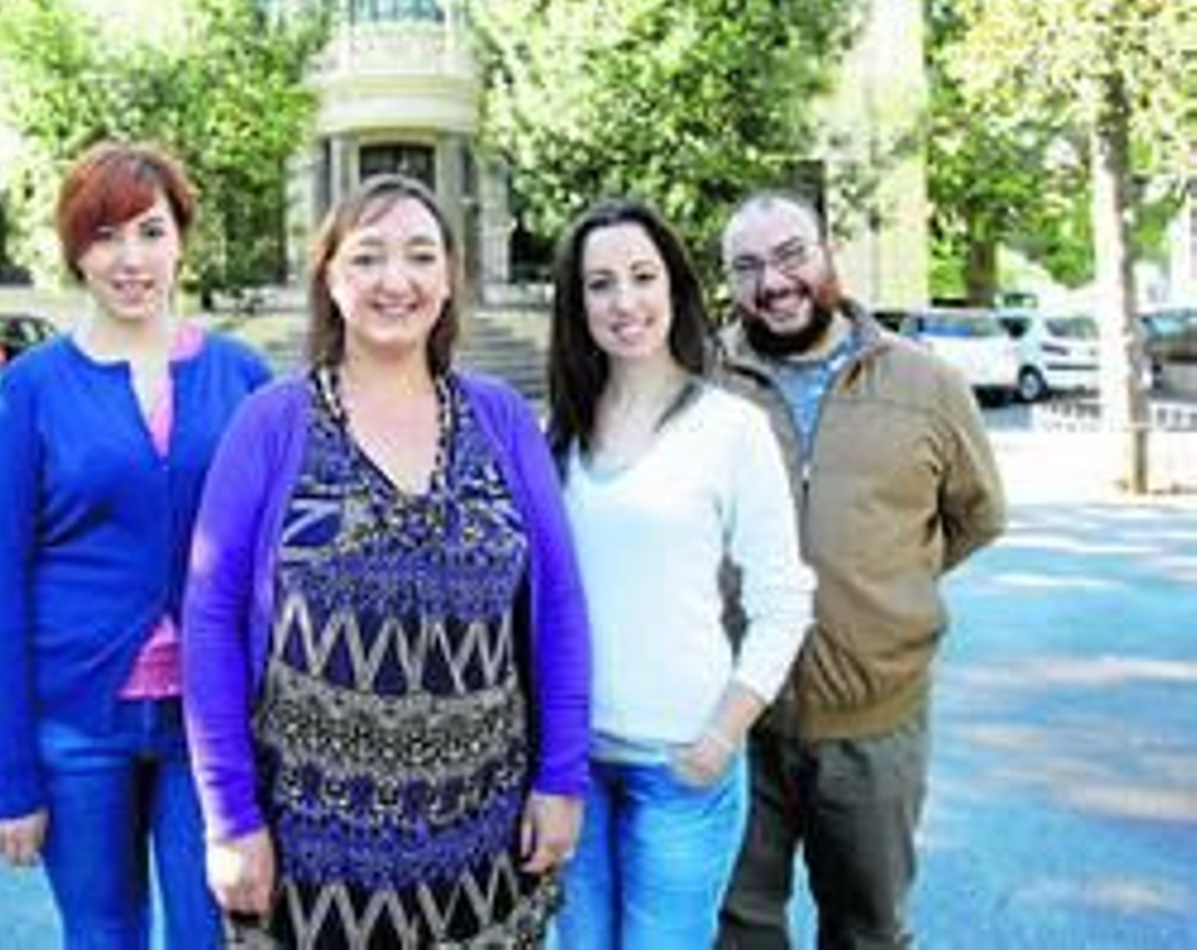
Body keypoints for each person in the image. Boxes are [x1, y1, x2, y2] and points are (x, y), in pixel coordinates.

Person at [181, 174, 590, 946]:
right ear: (331, 280)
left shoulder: (500, 416)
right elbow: (209, 618)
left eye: (420, 256)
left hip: (483, 838)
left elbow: (560, 602)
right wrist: (229, 818)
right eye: (367, 257)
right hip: (312, 855)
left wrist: (560, 778)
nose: (394, 280)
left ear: (448, 280)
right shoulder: (273, 421)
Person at [0, 141, 270, 948]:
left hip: (210, 722)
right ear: (75, 251)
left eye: (150, 231)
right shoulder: (28, 389)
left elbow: (281, 560)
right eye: (104, 236)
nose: (130, 259)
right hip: (75, 725)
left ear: (181, 240)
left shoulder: (244, 376)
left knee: (211, 933)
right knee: (103, 935)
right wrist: (8, 779)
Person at [713, 191, 1007, 949]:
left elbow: (977, 514)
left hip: (876, 725)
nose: (772, 283)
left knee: (868, 929)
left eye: (790, 255)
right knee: (738, 929)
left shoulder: (925, 382)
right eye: (746, 267)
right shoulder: (700, 381)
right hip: (735, 721)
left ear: (827, 251)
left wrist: (887, 587)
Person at [544, 198, 815, 948]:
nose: (624, 301)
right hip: (574, 768)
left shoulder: (730, 429)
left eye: (642, 276)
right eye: (600, 284)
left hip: (682, 768)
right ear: (578, 303)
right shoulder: (556, 433)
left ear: (675, 288)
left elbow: (783, 598)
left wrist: (722, 736)